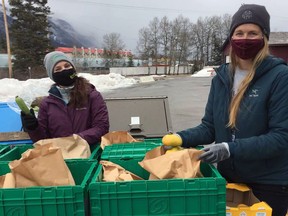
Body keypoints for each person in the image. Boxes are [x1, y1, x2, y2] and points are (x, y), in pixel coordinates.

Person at [162, 4, 288, 216]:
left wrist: (229, 148)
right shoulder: (222, 78)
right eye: (239, 33)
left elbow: (281, 137)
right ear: (231, 38)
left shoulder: (279, 77)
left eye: (252, 33)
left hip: (269, 183)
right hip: (228, 179)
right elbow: (210, 127)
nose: (245, 38)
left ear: (264, 37)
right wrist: (180, 138)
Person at [20, 51, 109, 146]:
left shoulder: (92, 96)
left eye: (67, 66)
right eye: (58, 69)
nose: (64, 70)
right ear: (52, 76)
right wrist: (33, 127)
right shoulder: (47, 104)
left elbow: (101, 127)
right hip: (59, 156)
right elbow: (42, 140)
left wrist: (75, 140)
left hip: (89, 154)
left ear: (73, 69)